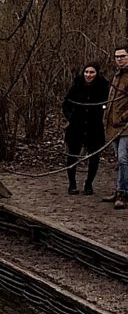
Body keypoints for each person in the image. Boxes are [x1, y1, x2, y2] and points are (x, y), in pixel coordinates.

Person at [63, 62, 109, 195]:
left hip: (94, 127)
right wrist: (71, 117)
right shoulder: (76, 86)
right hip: (76, 126)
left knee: (94, 156)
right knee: (72, 154)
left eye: (91, 72)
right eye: (86, 72)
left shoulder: (103, 87)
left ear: (97, 73)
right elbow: (66, 104)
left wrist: (101, 112)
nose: (88, 75)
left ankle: (88, 184)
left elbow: (107, 104)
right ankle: (72, 184)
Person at [107, 46, 128, 210]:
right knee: (119, 161)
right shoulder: (116, 76)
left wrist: (124, 117)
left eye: (122, 56)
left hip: (125, 125)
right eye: (116, 56)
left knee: (123, 158)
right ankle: (119, 189)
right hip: (113, 124)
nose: (119, 59)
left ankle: (124, 193)